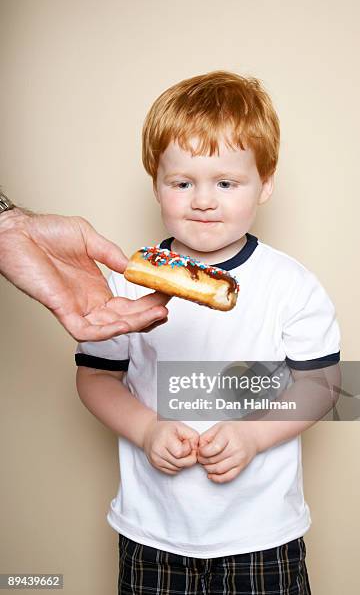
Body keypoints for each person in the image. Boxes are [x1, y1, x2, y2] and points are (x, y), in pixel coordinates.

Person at [75, 71, 341, 594]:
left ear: (264, 184)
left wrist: (252, 435)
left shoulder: (290, 284)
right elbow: (95, 381)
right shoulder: (125, 283)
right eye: (182, 183)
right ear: (155, 182)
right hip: (153, 532)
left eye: (226, 182)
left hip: (263, 535)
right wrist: (147, 430)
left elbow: (323, 385)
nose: (203, 201)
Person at [0, 194, 170, 341]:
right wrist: (8, 226)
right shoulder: (121, 286)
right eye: (183, 184)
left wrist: (10, 226)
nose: (198, 201)